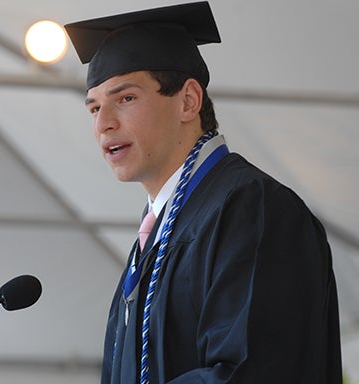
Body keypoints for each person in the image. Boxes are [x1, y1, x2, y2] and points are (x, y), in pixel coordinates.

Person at [64, 2, 343, 383]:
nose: (104, 124)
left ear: (188, 101)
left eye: (125, 99)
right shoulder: (156, 238)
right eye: (94, 109)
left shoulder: (253, 209)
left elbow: (252, 370)